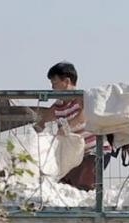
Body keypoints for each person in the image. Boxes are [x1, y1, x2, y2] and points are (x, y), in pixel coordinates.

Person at [34, 61, 111, 190]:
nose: (52, 88)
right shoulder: (58, 106)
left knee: (84, 185)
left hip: (95, 151)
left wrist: (67, 127)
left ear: (67, 81)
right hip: (75, 155)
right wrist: (33, 134)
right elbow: (43, 121)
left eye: (55, 83)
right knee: (63, 185)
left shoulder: (82, 98)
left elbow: (83, 116)